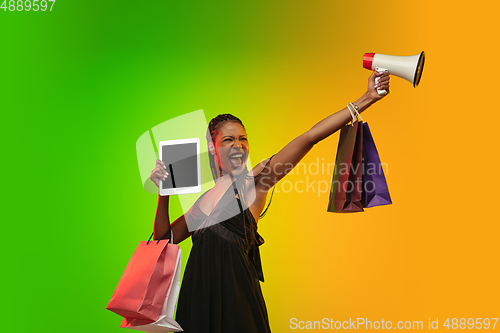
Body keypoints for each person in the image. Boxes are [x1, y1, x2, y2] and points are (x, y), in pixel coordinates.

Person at [149, 71, 390, 332]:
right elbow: (163, 240)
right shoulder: (202, 201)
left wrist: (367, 98)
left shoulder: (255, 182)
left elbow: (309, 137)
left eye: (243, 138)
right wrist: (164, 193)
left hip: (237, 307)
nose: (238, 145)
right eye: (228, 139)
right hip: (197, 304)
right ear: (212, 145)